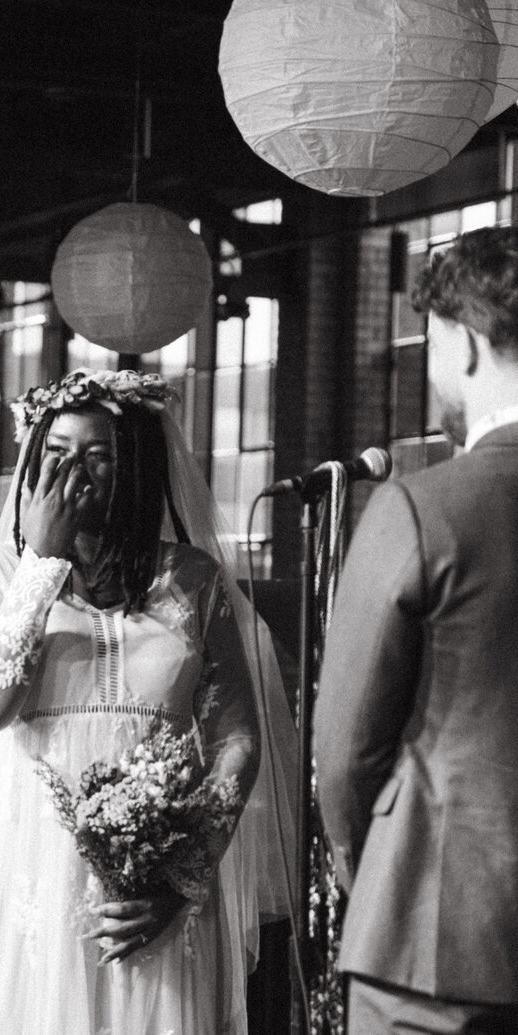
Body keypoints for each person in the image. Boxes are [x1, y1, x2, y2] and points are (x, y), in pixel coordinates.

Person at [0, 368, 296, 1035]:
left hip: (160, 879)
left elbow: (236, 743)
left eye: (98, 456)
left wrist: (179, 876)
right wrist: (40, 563)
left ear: (134, 468)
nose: (74, 472)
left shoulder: (190, 579)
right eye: (57, 453)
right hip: (34, 882)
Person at [314, 225, 518, 1034]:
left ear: (464, 342)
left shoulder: (424, 508)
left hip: (433, 947)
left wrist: (381, 884)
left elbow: (346, 749)